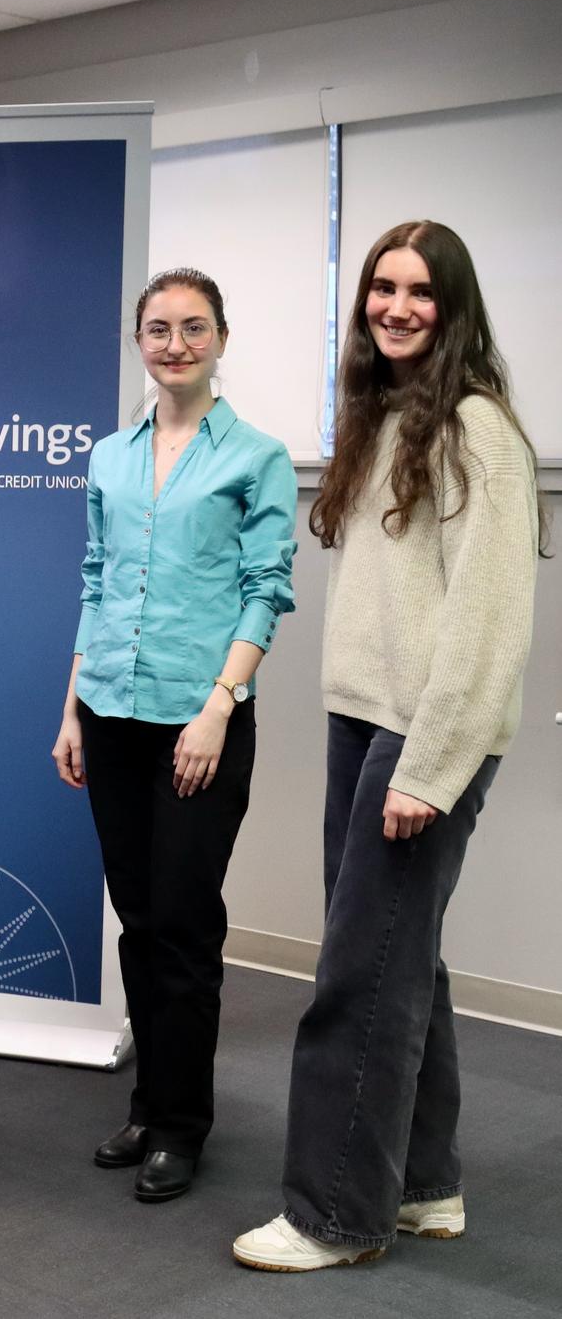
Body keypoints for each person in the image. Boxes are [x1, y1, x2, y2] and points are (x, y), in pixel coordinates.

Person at [233, 221, 545, 1271]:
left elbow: (488, 623)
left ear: (451, 307)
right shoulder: (382, 417)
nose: (395, 307)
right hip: (363, 719)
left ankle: (334, 1214)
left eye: (417, 291)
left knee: (355, 978)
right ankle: (421, 1186)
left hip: (418, 736)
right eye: (380, 287)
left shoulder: (477, 430)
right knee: (396, 961)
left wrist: (426, 764)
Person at [53, 268, 297, 1202]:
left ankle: (184, 1125)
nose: (175, 344)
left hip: (201, 725)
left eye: (194, 328)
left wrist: (217, 706)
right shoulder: (111, 456)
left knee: (187, 926)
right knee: (140, 921)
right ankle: (149, 1102)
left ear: (221, 339)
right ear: (140, 342)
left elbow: (265, 591)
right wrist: (72, 708)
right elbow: (94, 582)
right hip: (111, 714)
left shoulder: (258, 457)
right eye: (158, 329)